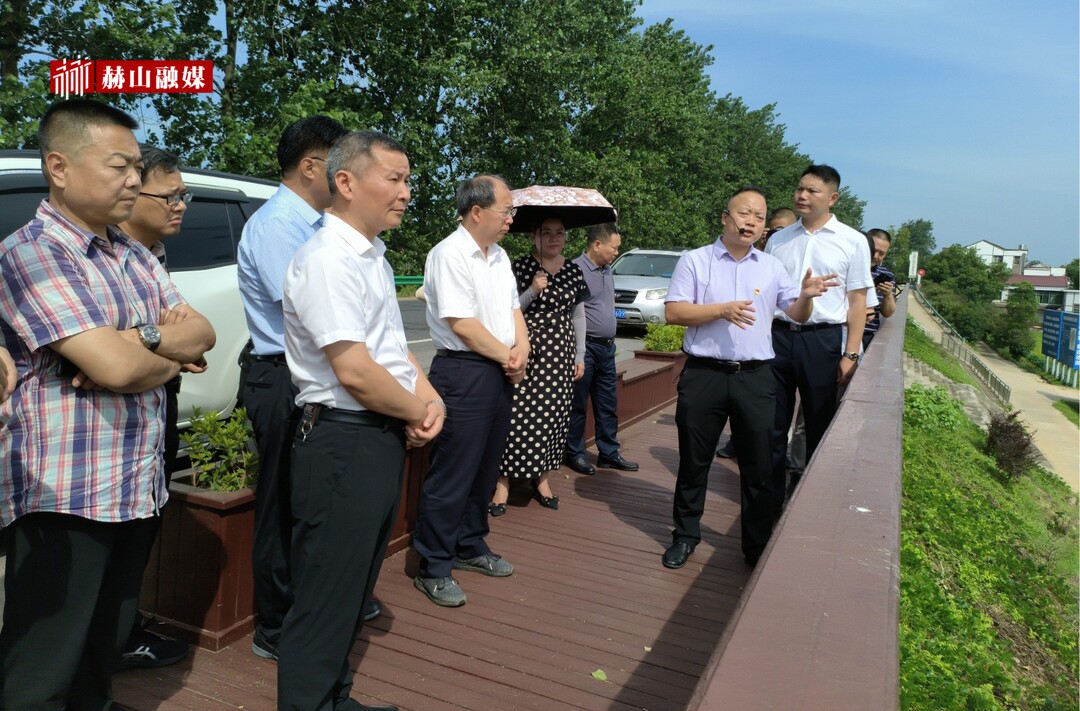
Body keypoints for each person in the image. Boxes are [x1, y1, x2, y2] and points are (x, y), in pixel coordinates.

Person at [0, 98, 215, 708]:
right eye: (120, 165)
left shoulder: (134, 254)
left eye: (137, 167)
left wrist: (136, 345)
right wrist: (148, 354)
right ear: (59, 167)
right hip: (67, 491)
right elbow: (118, 368)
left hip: (134, 484)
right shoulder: (35, 253)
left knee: (105, 644)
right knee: (44, 664)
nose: (133, 180)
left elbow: (201, 334)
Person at [278, 130, 439, 711]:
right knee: (325, 594)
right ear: (345, 182)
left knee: (351, 587)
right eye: (394, 179)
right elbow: (355, 371)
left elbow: (393, 353)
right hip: (342, 440)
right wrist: (420, 409)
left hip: (374, 438)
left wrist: (430, 400)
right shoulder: (328, 259)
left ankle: (333, 698)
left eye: (407, 180)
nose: (406, 192)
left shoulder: (372, 257)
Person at [236, 116, 366, 663]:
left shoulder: (317, 224)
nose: (349, 176)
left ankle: (310, 604)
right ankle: (274, 625)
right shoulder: (277, 226)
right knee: (280, 501)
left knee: (310, 499)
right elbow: (309, 309)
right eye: (342, 164)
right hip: (280, 377)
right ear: (312, 166)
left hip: (307, 377)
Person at [662, 187, 838, 569]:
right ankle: (685, 536)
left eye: (759, 217)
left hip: (756, 378)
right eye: (745, 213)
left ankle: (755, 546)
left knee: (759, 467)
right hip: (705, 374)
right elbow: (674, 313)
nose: (752, 222)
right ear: (725, 217)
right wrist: (721, 310)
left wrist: (807, 296)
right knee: (694, 462)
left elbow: (797, 313)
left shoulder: (771, 266)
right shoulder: (696, 260)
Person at [413, 174, 529, 607]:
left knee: (485, 466)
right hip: (463, 371)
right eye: (506, 210)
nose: (511, 219)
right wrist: (509, 358)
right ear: (477, 212)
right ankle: (433, 564)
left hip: (498, 369)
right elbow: (461, 323)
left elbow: (514, 309)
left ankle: (469, 543)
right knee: (453, 472)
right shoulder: (448, 254)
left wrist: (523, 349)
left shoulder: (499, 256)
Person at [114, 144, 200, 670]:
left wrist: (159, 347)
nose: (181, 205)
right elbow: (114, 364)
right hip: (110, 423)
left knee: (145, 518)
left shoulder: (153, 258)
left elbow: (197, 335)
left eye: (184, 194)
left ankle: (123, 630)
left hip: (156, 409)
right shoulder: (106, 258)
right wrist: (170, 349)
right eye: (169, 196)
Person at [765, 165, 872, 500]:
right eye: (800, 188)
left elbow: (857, 301)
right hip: (777, 337)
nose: (802, 195)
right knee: (771, 424)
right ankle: (769, 500)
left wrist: (850, 353)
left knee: (818, 422)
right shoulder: (779, 239)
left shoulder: (852, 241)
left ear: (833, 198)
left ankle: (809, 498)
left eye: (812, 191)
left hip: (821, 341)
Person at [489, 216, 588, 515]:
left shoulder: (573, 270)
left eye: (559, 233)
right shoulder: (519, 268)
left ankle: (542, 479)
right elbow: (508, 310)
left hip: (561, 354)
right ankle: (502, 483)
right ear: (534, 237)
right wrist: (533, 289)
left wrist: (579, 355)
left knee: (553, 416)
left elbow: (578, 315)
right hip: (526, 351)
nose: (554, 238)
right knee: (516, 417)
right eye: (547, 233)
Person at [718, 207, 799, 459]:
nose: (777, 233)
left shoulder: (784, 256)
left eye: (783, 229)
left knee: (769, 406)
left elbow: (796, 307)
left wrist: (807, 296)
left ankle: (782, 457)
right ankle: (737, 441)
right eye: (774, 229)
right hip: (771, 329)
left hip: (798, 328)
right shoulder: (766, 248)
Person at [564, 222, 639, 475]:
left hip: (607, 349)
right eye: (614, 248)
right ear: (597, 245)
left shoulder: (607, 269)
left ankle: (608, 453)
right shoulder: (575, 269)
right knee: (578, 404)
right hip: (586, 348)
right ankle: (574, 453)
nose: (617, 252)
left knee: (607, 403)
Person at [862, 228, 897, 349]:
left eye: (881, 253)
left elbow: (887, 313)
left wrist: (887, 295)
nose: (876, 256)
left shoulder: (886, 275)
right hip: (841, 331)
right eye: (874, 250)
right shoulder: (845, 268)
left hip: (866, 336)